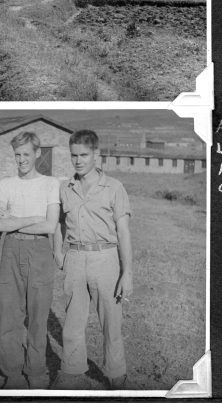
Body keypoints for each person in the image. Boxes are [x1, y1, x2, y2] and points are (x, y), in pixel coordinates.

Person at [52, 129, 133, 391]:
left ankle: (115, 374)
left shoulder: (114, 187)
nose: (78, 160)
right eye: (74, 155)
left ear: (96, 154)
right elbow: (58, 224)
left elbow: (123, 231)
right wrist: (58, 250)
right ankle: (71, 371)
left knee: (111, 322)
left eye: (84, 155)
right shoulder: (65, 187)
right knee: (73, 321)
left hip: (105, 258)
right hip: (75, 257)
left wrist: (127, 272)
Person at [0, 132, 60, 390]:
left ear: (37, 153)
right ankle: (12, 373)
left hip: (40, 252)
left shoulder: (50, 183)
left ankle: (35, 371)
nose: (21, 159)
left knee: (38, 316)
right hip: (11, 250)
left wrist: (16, 222)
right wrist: (34, 218)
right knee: (10, 314)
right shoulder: (6, 184)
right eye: (17, 154)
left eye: (26, 154)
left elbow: (51, 226)